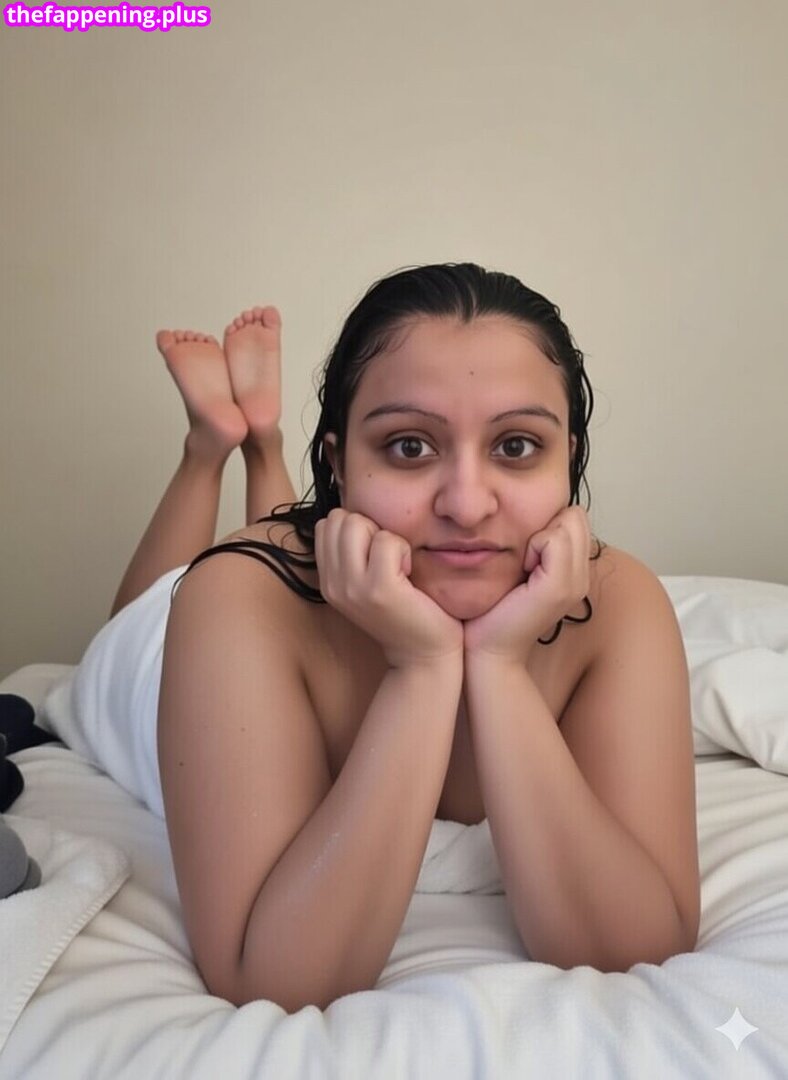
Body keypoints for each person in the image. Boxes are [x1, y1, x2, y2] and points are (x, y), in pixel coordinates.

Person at [106, 263, 700, 1013]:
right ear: (339, 465)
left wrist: (499, 665)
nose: (467, 506)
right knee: (142, 612)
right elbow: (271, 979)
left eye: (517, 446)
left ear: (569, 459)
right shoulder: (231, 598)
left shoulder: (619, 602)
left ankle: (261, 445)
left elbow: (637, 946)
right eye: (410, 447)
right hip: (190, 648)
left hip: (304, 589)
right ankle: (215, 444)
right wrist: (421, 667)